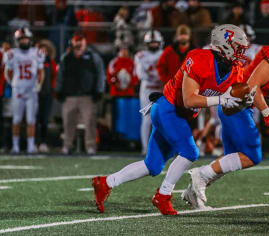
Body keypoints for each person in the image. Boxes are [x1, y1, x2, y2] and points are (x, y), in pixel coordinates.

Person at [91, 24, 252, 215]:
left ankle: (105, 183)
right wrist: (221, 99)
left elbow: (227, 104)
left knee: (152, 165)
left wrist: (242, 104)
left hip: (181, 115)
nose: (241, 52)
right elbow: (189, 98)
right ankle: (163, 196)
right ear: (224, 45)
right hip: (168, 109)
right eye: (238, 47)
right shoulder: (199, 58)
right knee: (190, 152)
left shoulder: (236, 69)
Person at [183, 20, 269, 209]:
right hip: (237, 105)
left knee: (232, 158)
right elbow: (253, 86)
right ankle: (200, 175)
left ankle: (193, 191)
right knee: (252, 156)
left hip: (238, 105)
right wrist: (266, 112)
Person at [56, 32, 105, 155]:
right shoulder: (66, 57)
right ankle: (67, 145)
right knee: (68, 122)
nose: (78, 45)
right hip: (70, 95)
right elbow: (60, 75)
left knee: (90, 122)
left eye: (80, 42)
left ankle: (90, 146)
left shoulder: (93, 57)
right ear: (72, 43)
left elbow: (100, 74)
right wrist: (59, 90)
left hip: (87, 96)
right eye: (76, 43)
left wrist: (99, 90)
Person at [5, 28, 45, 154]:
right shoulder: (12, 53)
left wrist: (39, 84)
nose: (24, 41)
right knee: (16, 119)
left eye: (26, 38)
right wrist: (13, 84)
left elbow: (40, 71)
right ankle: (15, 146)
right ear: (17, 41)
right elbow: (7, 72)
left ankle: (30, 146)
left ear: (30, 39)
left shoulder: (37, 52)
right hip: (18, 90)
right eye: (21, 39)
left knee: (31, 120)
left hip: (32, 90)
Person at [134, 30, 164, 155]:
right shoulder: (140, 55)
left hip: (162, 88)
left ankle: (164, 147)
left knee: (164, 118)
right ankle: (145, 148)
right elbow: (141, 75)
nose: (153, 45)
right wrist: (157, 75)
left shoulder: (164, 54)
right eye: (151, 43)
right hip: (148, 89)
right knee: (147, 118)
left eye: (155, 42)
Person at [107, 45, 139, 144]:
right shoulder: (114, 62)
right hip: (116, 94)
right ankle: (115, 138)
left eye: (126, 50)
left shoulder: (132, 63)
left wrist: (128, 85)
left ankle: (128, 139)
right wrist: (116, 83)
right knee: (116, 117)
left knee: (127, 117)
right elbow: (109, 76)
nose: (124, 52)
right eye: (122, 50)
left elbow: (135, 78)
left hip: (128, 94)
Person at [36, 40, 58, 153]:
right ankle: (34, 143)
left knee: (44, 120)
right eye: (41, 49)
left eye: (45, 49)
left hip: (47, 94)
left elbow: (54, 77)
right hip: (35, 94)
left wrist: (53, 91)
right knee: (34, 120)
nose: (43, 52)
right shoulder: (33, 61)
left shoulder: (51, 62)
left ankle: (43, 142)